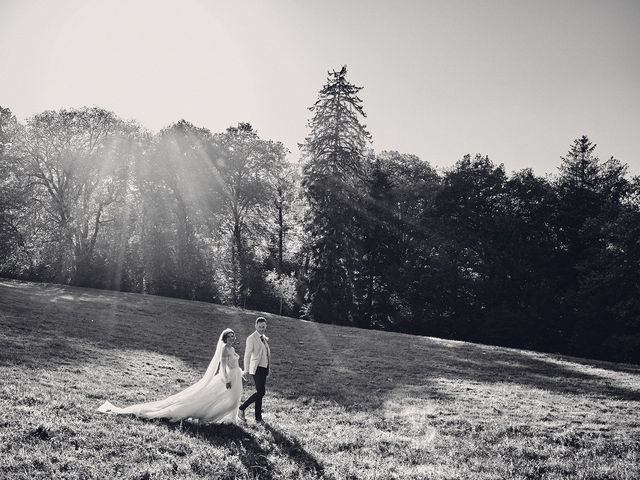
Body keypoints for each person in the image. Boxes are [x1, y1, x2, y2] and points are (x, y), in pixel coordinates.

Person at [97, 328, 243, 424]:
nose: (231, 338)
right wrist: (227, 380)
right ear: (224, 339)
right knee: (219, 399)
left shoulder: (232, 348)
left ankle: (230, 418)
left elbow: (233, 363)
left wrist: (240, 373)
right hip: (228, 378)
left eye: (233, 336)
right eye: (229, 337)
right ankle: (206, 416)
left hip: (236, 376)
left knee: (233, 400)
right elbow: (223, 367)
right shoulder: (224, 349)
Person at [238, 317, 270, 423]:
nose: (261, 328)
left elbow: (266, 354)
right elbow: (247, 355)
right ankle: (242, 408)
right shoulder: (251, 338)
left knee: (259, 393)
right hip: (256, 368)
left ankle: (258, 417)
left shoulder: (263, 338)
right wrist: (246, 370)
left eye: (263, 326)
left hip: (264, 368)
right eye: (259, 326)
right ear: (255, 326)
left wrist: (267, 368)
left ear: (266, 326)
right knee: (261, 392)